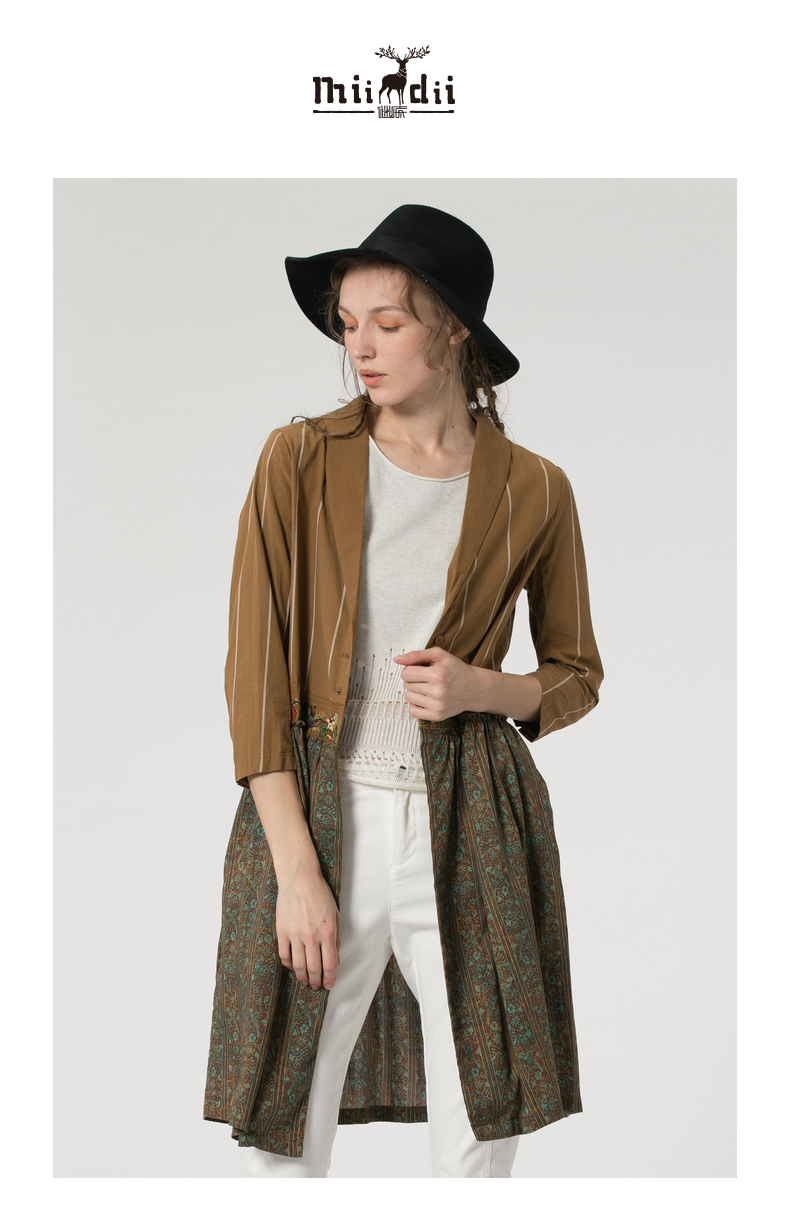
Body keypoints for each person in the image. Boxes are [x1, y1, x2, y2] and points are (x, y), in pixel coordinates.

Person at [203, 203, 604, 1178]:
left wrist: (482, 686)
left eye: (388, 322)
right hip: (320, 818)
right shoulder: (300, 458)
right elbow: (255, 678)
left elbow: (575, 674)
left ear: (454, 328)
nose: (361, 348)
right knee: (283, 1120)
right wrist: (297, 872)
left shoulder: (535, 488)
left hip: (475, 820)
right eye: (348, 324)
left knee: (484, 1119)